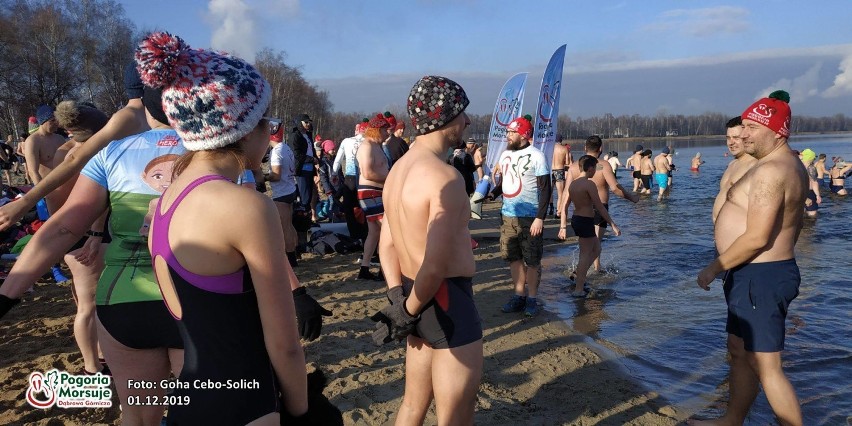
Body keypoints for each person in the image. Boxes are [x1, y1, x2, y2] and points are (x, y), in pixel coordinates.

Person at [137, 32, 330, 424]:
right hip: (245, 403)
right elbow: (284, 342)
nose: (270, 133)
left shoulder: (165, 202)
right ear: (246, 129)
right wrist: (302, 412)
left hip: (191, 397)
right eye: (268, 123)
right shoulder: (244, 206)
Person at [0, 84, 184, 425]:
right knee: (205, 410)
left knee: (140, 415)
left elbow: (62, 228)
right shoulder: (221, 153)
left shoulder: (111, 152)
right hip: (199, 301)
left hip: (125, 301)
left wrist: (8, 293)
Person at [371, 75, 482, 425]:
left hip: (409, 291)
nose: (467, 120)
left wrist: (397, 299)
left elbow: (386, 242)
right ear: (444, 118)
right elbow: (434, 267)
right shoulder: (445, 178)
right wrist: (405, 311)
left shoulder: (397, 170)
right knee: (455, 415)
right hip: (444, 299)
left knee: (412, 405)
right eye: (462, 112)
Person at [695, 90, 804, 426]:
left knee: (766, 365)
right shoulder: (773, 164)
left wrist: (714, 268)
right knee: (739, 351)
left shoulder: (772, 171)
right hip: (748, 274)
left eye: (752, 128)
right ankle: (732, 419)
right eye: (742, 127)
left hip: (761, 275)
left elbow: (757, 237)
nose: (743, 134)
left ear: (777, 131)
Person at [0, 62, 149, 231]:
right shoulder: (54, 147)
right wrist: (28, 202)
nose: (55, 125)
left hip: (90, 214)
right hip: (61, 203)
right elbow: (67, 164)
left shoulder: (61, 141)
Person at [53, 100, 111, 376]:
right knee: (91, 305)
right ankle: (92, 366)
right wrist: (95, 233)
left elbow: (55, 203)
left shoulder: (62, 154)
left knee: (84, 303)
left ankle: (97, 358)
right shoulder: (93, 153)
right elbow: (99, 199)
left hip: (70, 233)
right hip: (91, 235)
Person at [496, 115, 551, 317]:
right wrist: (492, 194)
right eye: (508, 132)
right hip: (508, 215)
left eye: (512, 132)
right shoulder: (505, 155)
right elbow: (505, 182)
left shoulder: (537, 156)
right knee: (513, 258)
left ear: (524, 135)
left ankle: (532, 298)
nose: (508, 136)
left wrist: (540, 217)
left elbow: (546, 189)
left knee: (532, 260)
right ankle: (519, 296)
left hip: (530, 217)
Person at [559, 136, 638, 278]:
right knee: (596, 244)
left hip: (579, 210)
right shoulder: (604, 165)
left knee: (587, 245)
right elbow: (615, 188)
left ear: (585, 148)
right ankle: (586, 271)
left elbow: (566, 191)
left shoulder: (574, 166)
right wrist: (631, 197)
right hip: (599, 208)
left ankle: (590, 270)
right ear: (600, 149)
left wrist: (562, 213)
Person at [557, 155, 621, 297]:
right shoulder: (589, 184)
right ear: (590, 168)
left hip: (577, 220)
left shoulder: (573, 184)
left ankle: (579, 275)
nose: (595, 172)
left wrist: (563, 226)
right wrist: (613, 224)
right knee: (585, 255)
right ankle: (579, 288)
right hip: (585, 221)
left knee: (596, 248)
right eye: (595, 169)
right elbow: (600, 207)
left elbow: (565, 206)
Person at [356, 114, 391, 281]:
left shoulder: (376, 146)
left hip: (375, 191)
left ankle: (365, 268)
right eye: (385, 130)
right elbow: (367, 172)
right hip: (370, 192)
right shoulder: (367, 147)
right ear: (377, 130)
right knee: (388, 230)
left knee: (375, 232)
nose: (388, 133)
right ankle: (385, 269)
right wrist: (391, 178)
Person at [267, 120, 301, 267]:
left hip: (281, 192)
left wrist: (262, 177)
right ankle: (296, 252)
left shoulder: (276, 152)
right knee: (289, 224)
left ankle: (291, 259)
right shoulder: (286, 148)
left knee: (283, 228)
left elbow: (276, 175)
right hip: (290, 188)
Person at [712, 117, 758, 224]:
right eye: (728, 138)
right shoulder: (732, 164)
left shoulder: (754, 165)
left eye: (736, 138)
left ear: (747, 136)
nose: (731, 143)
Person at [24, 105, 67, 211]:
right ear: (43, 121)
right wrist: (42, 193)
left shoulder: (60, 138)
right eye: (53, 120)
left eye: (57, 120)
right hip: (48, 189)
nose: (56, 123)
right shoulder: (33, 141)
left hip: (65, 185)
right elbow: (33, 171)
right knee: (56, 222)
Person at [332, 122, 368, 241]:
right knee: (363, 206)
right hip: (363, 178)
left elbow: (338, 159)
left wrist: (333, 174)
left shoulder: (346, 141)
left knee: (349, 208)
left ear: (356, 130)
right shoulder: (368, 141)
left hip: (350, 178)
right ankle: (364, 233)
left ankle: (354, 234)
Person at [290, 113, 318, 224]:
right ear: (299, 123)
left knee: (309, 195)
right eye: (305, 122)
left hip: (310, 169)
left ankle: (307, 219)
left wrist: (315, 159)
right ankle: (302, 222)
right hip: (301, 170)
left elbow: (312, 151)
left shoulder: (308, 135)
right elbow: (297, 154)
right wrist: (312, 159)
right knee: (304, 196)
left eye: (309, 122)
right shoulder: (295, 136)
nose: (308, 124)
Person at [799, 148, 821, 218]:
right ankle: (811, 229)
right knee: (812, 216)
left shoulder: (797, 166)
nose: (814, 160)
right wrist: (818, 195)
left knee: (801, 216)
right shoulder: (811, 168)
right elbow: (814, 182)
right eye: (813, 158)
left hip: (799, 193)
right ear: (810, 158)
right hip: (809, 193)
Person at [552, 134, 569, 218]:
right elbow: (567, 162)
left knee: (548, 192)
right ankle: (558, 212)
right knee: (560, 193)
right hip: (559, 170)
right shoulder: (564, 149)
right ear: (561, 140)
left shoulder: (549, 148)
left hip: (550, 170)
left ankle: (548, 210)